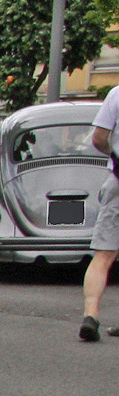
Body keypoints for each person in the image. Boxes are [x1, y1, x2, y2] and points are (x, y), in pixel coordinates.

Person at [78, 83, 119, 340]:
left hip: (118, 179)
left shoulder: (116, 94)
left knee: (104, 255)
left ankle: (91, 315)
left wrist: (113, 152)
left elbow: (99, 138)